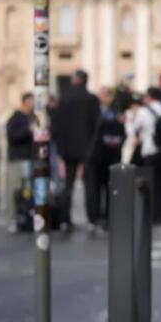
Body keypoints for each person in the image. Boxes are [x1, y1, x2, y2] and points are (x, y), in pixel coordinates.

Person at [50, 69, 101, 231]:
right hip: (88, 149)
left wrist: (60, 146)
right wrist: (92, 147)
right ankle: (92, 219)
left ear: (75, 80)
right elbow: (97, 125)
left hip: (68, 149)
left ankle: (65, 219)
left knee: (68, 184)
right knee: (90, 185)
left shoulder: (64, 99)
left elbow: (56, 125)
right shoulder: (91, 99)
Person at [130, 88, 161, 224]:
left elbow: (135, 128)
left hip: (151, 151)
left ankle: (152, 215)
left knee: (151, 185)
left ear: (149, 97)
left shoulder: (144, 111)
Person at [85, 87, 126, 233]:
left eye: (107, 95)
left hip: (111, 155)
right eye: (103, 94)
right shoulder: (93, 111)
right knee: (93, 188)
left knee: (110, 188)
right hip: (96, 156)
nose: (105, 97)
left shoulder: (116, 111)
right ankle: (94, 217)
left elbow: (122, 132)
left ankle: (108, 217)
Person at [5, 93, 35, 233]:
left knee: (27, 190)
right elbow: (11, 136)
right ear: (25, 102)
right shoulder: (16, 118)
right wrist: (27, 131)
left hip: (29, 159)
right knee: (15, 190)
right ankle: (13, 218)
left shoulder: (34, 117)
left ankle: (26, 217)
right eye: (31, 101)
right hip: (18, 159)